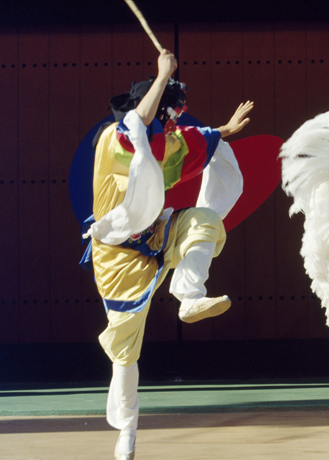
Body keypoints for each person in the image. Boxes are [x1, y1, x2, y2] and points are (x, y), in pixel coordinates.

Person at [80, 49, 253, 460]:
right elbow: (137, 124)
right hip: (118, 255)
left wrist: (226, 128)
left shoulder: (168, 142)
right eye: (166, 116)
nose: (172, 124)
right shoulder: (115, 140)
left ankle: (189, 296)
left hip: (156, 235)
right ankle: (127, 431)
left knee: (205, 221)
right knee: (125, 350)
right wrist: (162, 75)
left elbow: (200, 139)